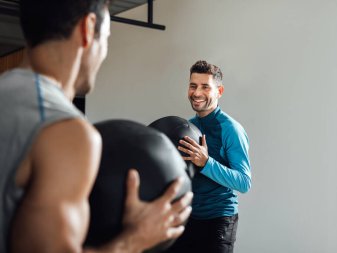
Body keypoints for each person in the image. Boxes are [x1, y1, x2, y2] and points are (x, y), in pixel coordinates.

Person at [0, 0, 193, 252]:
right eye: (107, 37)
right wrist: (136, 239)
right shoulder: (64, 130)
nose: (104, 51)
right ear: (88, 28)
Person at [165, 60, 252, 253]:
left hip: (219, 220)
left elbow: (244, 182)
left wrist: (206, 163)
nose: (197, 93)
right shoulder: (186, 126)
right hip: (188, 217)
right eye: (193, 86)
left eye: (205, 87)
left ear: (219, 92)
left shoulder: (231, 129)